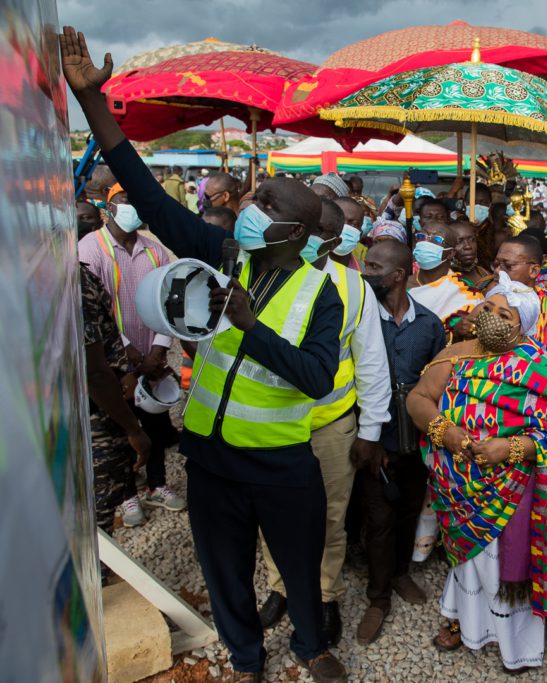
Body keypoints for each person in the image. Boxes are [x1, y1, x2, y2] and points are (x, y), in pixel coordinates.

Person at [61, 28, 348, 682]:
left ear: (297, 233)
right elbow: (149, 195)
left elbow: (315, 377)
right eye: (255, 195)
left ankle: (310, 645)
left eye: (270, 202)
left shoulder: (321, 292)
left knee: (298, 564)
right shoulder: (224, 254)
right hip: (212, 459)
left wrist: (249, 327)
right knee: (224, 571)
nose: (252, 204)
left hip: (281, 464)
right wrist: (92, 102)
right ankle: (247, 657)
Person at [406, 272, 547, 673]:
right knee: (468, 562)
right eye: (489, 308)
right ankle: (465, 622)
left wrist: (509, 448)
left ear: (523, 325)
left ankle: (517, 649)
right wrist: (451, 436)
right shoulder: (457, 353)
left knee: (506, 564)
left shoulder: (543, 371)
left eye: (506, 315)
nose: (493, 317)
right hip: (457, 484)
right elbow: (419, 398)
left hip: (512, 491)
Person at [258, 198, 391, 649]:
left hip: (331, 426)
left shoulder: (353, 287)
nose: (308, 233)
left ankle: (323, 596)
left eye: (321, 229)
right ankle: (280, 587)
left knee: (331, 518)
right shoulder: (263, 270)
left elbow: (371, 362)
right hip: (267, 423)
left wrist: (371, 431)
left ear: (334, 240)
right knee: (272, 516)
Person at [355, 241, 445, 645]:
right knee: (379, 519)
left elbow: (439, 385)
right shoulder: (357, 316)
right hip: (374, 440)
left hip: (416, 442)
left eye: (373, 265)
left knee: (409, 510)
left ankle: (401, 574)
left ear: (397, 275)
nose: (364, 269)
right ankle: (378, 598)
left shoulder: (428, 325)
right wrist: (371, 439)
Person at [79, 182, 181, 527]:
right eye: (124, 200)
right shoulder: (89, 249)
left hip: (152, 355)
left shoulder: (155, 250)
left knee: (154, 420)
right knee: (120, 424)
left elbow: (170, 302)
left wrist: (158, 349)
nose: (131, 207)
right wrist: (132, 354)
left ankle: (157, 485)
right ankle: (127, 495)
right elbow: (95, 314)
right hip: (115, 361)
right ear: (109, 207)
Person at [80, 263, 151, 535]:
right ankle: (94, 576)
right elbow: (94, 372)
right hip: (93, 416)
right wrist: (132, 428)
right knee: (93, 522)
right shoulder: (67, 279)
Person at [408, 221, 484, 328]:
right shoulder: (401, 287)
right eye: (421, 236)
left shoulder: (466, 292)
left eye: (437, 240)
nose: (426, 243)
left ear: (451, 253)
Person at [449, 220, 492, 291]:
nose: (468, 246)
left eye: (472, 240)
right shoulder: (444, 280)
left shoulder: (486, 275)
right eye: (459, 241)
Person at [331, 196, 369, 270]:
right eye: (339, 220)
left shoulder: (362, 272)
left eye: (354, 224)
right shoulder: (307, 260)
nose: (344, 227)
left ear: (360, 234)